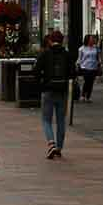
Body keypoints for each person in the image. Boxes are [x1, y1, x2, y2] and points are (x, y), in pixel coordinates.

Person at [38, 31, 72, 159]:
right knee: (60, 120)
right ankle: (59, 148)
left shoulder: (45, 54)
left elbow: (36, 71)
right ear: (62, 40)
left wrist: (41, 82)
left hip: (48, 90)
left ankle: (51, 143)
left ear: (50, 41)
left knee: (46, 120)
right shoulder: (67, 54)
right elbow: (73, 72)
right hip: (62, 91)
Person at [77, 34, 101, 102]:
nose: (92, 40)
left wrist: (99, 63)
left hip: (94, 67)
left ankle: (88, 96)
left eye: (93, 39)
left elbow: (98, 57)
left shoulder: (96, 48)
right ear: (87, 40)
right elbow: (79, 58)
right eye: (91, 39)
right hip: (85, 67)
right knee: (87, 81)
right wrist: (78, 64)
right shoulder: (82, 48)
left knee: (91, 82)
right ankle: (83, 95)